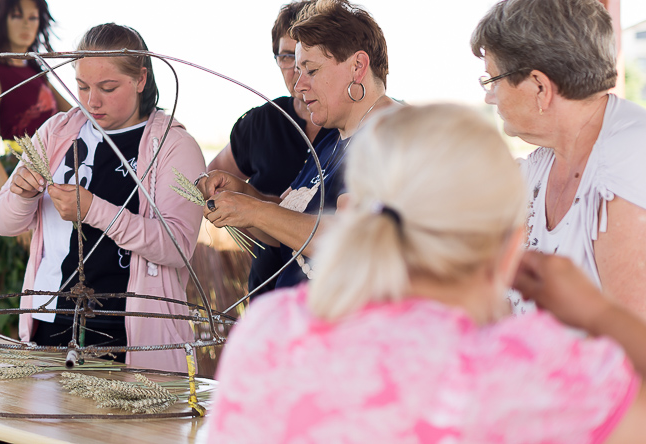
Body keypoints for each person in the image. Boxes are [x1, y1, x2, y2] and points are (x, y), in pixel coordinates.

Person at [209, 104, 646, 442]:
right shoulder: (524, 369)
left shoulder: (268, 329)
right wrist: (596, 312)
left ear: (351, 208)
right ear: (511, 247)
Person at [0, 23, 205, 372]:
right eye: (82, 86)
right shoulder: (57, 132)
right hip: (50, 323)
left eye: (108, 87)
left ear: (141, 79)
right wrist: (22, 196)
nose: (92, 101)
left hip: (129, 335)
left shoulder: (173, 145)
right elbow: (3, 223)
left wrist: (93, 210)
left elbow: (177, 246)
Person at [471, 0, 646, 316]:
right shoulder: (544, 161)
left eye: (493, 80)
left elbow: (634, 336)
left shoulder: (630, 161)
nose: (489, 97)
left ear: (540, 87)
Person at [200, 0, 397, 288]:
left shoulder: (391, 135)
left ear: (358, 66)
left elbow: (351, 239)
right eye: (296, 69)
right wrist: (243, 194)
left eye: (311, 70)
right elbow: (288, 225)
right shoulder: (333, 138)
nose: (299, 83)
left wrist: (256, 210)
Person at [207, 0, 334, 294]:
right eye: (287, 56)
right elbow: (212, 177)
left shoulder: (355, 126)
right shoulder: (260, 122)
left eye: (306, 57)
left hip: (334, 302)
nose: (297, 69)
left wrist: (254, 209)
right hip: (268, 293)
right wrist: (242, 211)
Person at [0, 0, 70, 195]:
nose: (26, 24)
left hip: (61, 174)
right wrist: (12, 204)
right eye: (17, 16)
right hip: (23, 179)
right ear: (3, 21)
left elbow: (75, 116)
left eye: (33, 17)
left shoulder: (37, 72)